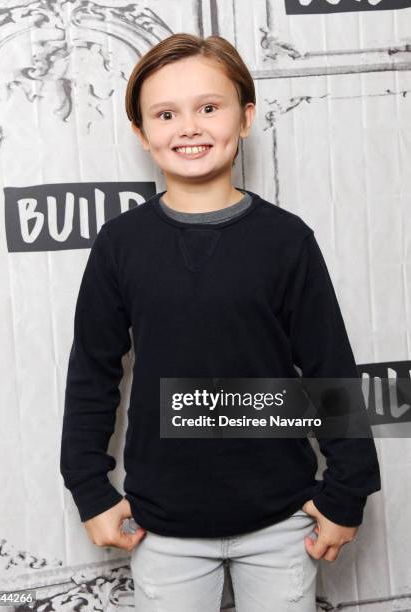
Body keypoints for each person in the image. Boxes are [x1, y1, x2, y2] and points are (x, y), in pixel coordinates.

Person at [60, 33, 381, 611]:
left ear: (246, 116)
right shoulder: (120, 246)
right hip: (164, 526)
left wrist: (348, 492)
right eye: (166, 113)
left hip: (284, 521)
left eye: (209, 107)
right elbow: (92, 374)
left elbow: (329, 368)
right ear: (141, 131)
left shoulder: (287, 240)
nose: (189, 126)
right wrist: (88, 489)